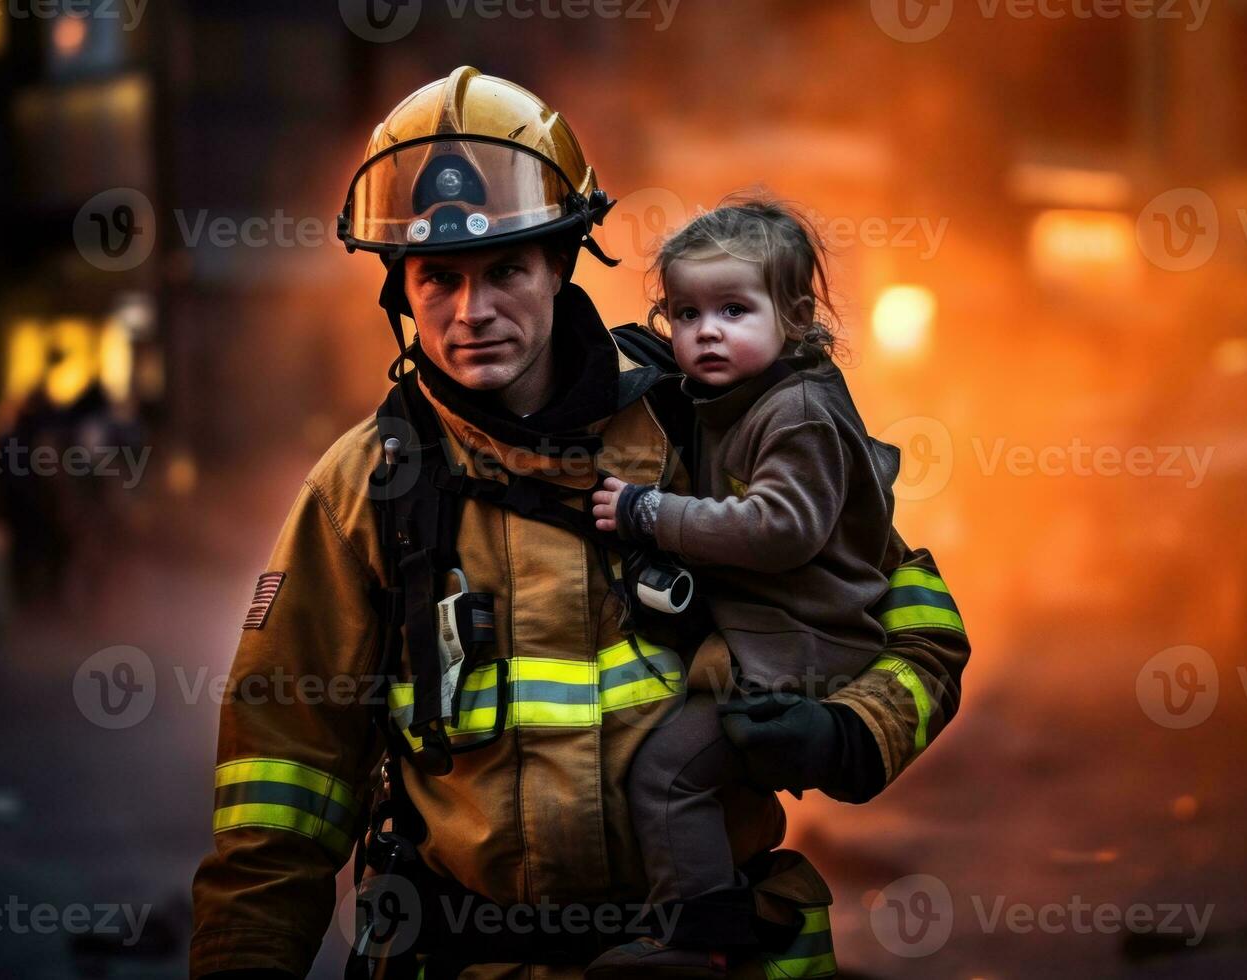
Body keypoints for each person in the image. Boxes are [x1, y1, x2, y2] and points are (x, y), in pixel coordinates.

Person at [190, 66, 971, 980]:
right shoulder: (366, 493)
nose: (473, 312)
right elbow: (276, 803)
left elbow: (918, 620)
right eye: (438, 278)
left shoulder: (703, 428)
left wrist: (848, 734)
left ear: (561, 263)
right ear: (400, 290)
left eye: (506, 270)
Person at [587, 200, 900, 976]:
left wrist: (648, 511)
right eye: (686, 313)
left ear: (794, 317)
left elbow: (778, 529)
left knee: (667, 774)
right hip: (774, 634)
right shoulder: (745, 397)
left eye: (734, 309)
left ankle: (699, 943)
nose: (707, 332)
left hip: (803, 645)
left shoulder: (794, 411)